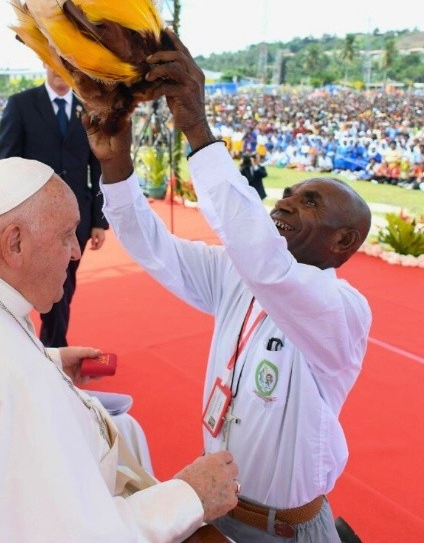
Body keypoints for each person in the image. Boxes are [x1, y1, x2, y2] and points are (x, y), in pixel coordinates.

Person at [0, 157, 240, 542]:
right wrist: (189, 495)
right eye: (66, 234)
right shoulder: (8, 374)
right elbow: (70, 534)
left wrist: (49, 361)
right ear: (15, 243)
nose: (75, 251)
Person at [82, 30, 372, 542]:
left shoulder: (340, 310)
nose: (282, 204)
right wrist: (115, 165)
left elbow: (264, 261)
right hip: (214, 505)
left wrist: (196, 126)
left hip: (284, 531)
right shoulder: (241, 274)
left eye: (309, 203)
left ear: (343, 241)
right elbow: (154, 247)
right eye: (287, 194)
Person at [0, 65, 108, 347]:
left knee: (64, 281)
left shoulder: (90, 108)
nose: (61, 70)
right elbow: (8, 164)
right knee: (29, 280)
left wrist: (98, 219)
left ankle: (52, 346)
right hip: (30, 217)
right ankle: (37, 344)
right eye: (55, 61)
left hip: (77, 217)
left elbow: (98, 168)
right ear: (45, 63)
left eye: (68, 64)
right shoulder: (21, 104)